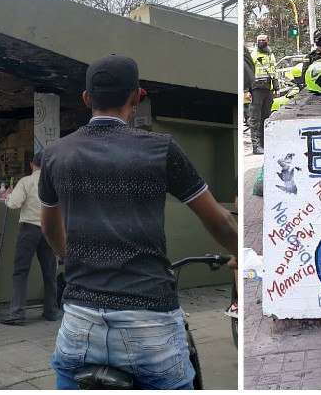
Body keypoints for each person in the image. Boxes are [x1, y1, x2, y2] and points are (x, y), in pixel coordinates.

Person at [39, 55, 238, 390]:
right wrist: (242, 253)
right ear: (136, 96)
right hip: (150, 322)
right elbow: (221, 224)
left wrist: (71, 258)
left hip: (79, 322)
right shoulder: (160, 149)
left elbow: (49, 228)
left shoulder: (55, 154)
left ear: (87, 99)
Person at [0, 151, 59, 325]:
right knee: (50, 273)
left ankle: (17, 313)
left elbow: (14, 203)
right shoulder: (54, 182)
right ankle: (51, 311)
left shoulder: (26, 182)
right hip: (50, 231)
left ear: (32, 165)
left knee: (21, 271)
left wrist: (8, 195)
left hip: (29, 230)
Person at [250, 34, 277, 155]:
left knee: (266, 118)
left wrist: (276, 87)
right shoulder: (253, 55)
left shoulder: (271, 54)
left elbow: (273, 71)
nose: (261, 42)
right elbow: (246, 73)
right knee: (256, 119)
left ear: (268, 41)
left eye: (263, 40)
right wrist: (246, 90)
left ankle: (264, 144)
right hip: (256, 89)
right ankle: (256, 146)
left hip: (268, 89)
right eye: (259, 40)